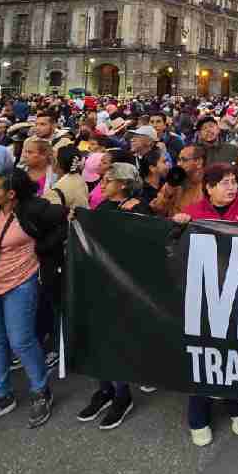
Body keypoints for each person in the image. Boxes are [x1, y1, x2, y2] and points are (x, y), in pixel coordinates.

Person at [0, 168, 66, 432]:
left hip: (21, 283)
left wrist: (41, 250)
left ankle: (40, 390)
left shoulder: (35, 210)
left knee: (21, 340)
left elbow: (64, 220)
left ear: (10, 194)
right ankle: (1, 394)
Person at [170, 164, 238, 446]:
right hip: (202, 297)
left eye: (234, 181)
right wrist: (177, 229)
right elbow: (170, 249)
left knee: (232, 353)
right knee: (203, 354)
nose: (231, 187)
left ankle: (236, 406)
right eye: (224, 182)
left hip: (237, 295)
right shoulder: (193, 214)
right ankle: (198, 416)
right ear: (208, 188)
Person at [75, 163, 151, 430]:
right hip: (101, 283)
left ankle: (122, 394)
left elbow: (144, 246)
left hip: (125, 287)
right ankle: (104, 388)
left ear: (123, 184)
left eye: (107, 181)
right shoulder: (103, 209)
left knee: (116, 339)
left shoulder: (139, 209)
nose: (102, 185)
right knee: (98, 337)